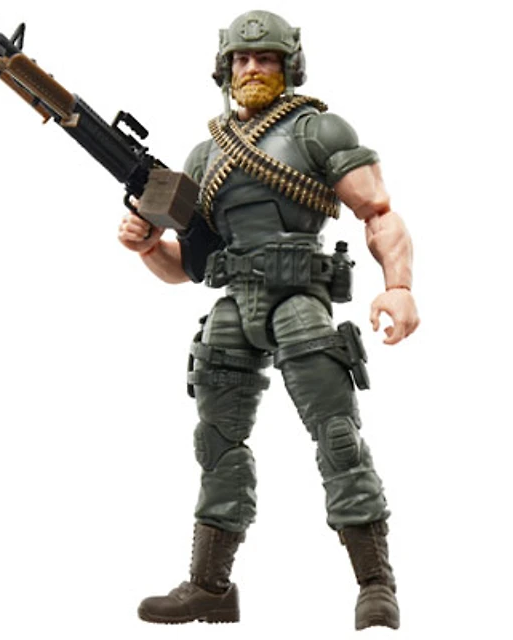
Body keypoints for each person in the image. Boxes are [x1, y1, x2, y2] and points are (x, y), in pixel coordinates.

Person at [118, 10, 419, 631]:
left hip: (300, 300)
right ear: (225, 68)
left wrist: (399, 286)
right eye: (242, 59)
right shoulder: (206, 155)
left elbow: (379, 213)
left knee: (337, 437)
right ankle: (209, 586)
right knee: (217, 445)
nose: (252, 68)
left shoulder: (318, 131)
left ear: (289, 65)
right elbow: (188, 268)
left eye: (266, 58)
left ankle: (375, 583)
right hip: (234, 306)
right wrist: (148, 246)